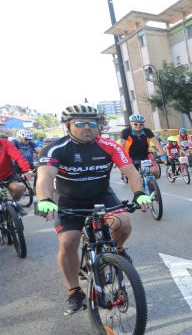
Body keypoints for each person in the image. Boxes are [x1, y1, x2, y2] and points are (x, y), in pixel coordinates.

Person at [35, 104, 152, 315]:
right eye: (80, 123)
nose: (87, 127)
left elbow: (131, 172)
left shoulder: (109, 146)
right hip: (69, 200)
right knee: (69, 241)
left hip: (101, 196)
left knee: (123, 222)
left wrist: (139, 193)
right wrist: (44, 199)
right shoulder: (55, 148)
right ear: (68, 125)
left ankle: (117, 250)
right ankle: (74, 291)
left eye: (92, 123)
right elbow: (45, 177)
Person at [0, 138, 33, 202]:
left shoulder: (4, 143)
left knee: (19, 188)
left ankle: (15, 203)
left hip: (7, 175)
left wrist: (26, 170)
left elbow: (18, 157)